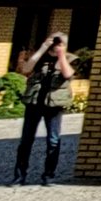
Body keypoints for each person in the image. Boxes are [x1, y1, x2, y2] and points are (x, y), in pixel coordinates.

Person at [12, 32, 74, 186]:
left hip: (53, 105)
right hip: (34, 103)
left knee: (53, 141)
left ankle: (48, 175)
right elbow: (26, 69)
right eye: (54, 42)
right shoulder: (40, 58)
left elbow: (67, 74)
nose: (55, 45)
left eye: (60, 43)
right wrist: (42, 48)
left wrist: (61, 55)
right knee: (26, 141)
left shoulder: (70, 58)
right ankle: (19, 175)